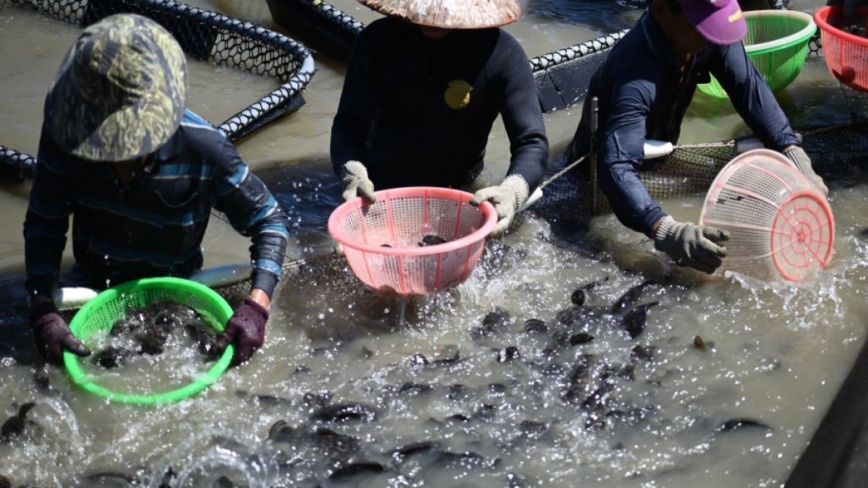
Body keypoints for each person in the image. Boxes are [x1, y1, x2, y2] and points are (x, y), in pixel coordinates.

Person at [23, 14, 289, 366]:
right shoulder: (66, 136)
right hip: (90, 290)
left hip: (178, 289)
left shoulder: (206, 149)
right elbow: (45, 220)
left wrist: (257, 306)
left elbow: (269, 222)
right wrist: (43, 307)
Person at [566, 0, 828, 274]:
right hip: (595, 178)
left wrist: (792, 152)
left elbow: (748, 88)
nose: (712, 34)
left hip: (658, 158)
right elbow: (616, 167)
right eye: (704, 24)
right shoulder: (635, 73)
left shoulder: (706, 36)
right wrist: (666, 230)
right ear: (661, 9)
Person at [330, 0, 549, 236]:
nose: (432, 19)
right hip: (378, 189)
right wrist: (352, 173)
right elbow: (348, 125)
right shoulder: (377, 41)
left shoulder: (501, 53)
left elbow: (532, 142)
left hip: (463, 189)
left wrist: (512, 192)